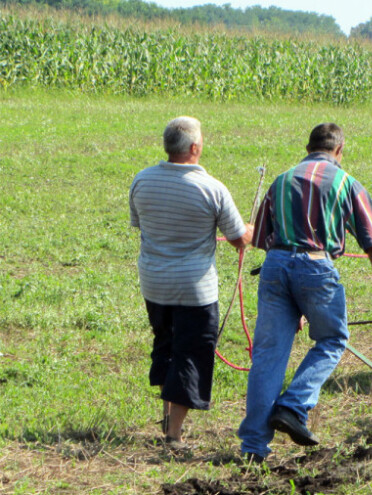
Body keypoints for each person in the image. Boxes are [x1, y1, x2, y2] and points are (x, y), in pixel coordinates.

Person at [238, 122, 372, 462]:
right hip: (315, 269)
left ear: (308, 149)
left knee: (267, 357)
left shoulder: (280, 181)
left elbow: (262, 239)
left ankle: (253, 448)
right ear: (339, 150)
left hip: (275, 268)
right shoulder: (347, 184)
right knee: (333, 339)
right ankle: (293, 405)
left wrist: (292, 304)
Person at [129, 116, 253, 449]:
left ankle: (170, 422)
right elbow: (239, 239)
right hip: (194, 290)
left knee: (166, 347)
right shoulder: (212, 188)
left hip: (154, 285)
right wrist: (249, 230)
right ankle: (173, 436)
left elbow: (141, 224)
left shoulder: (141, 181)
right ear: (195, 148)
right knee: (189, 355)